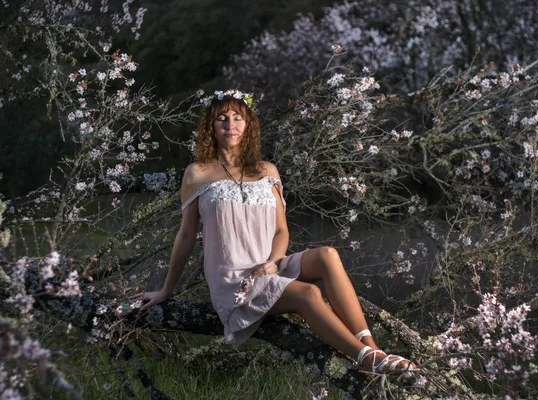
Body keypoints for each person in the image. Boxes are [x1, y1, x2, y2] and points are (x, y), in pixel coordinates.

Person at [133, 90, 418, 374]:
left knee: (327, 255)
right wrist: (166, 290)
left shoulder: (267, 170)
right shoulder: (197, 173)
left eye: (237, 118)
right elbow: (185, 235)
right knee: (307, 294)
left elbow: (281, 230)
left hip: (270, 265)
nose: (230, 125)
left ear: (248, 125)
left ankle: (373, 349)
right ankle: (365, 359)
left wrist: (273, 261)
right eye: (222, 119)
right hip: (235, 280)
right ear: (211, 126)